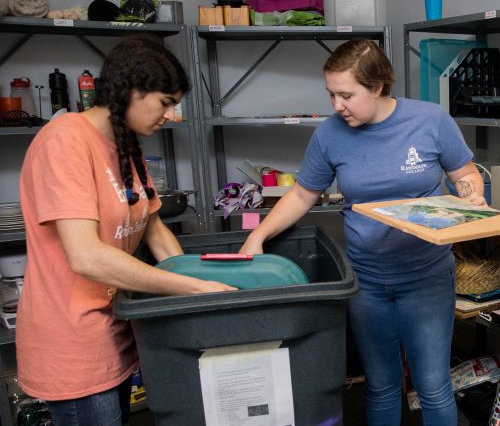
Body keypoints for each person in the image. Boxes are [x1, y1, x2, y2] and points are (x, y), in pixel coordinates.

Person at [240, 38, 486, 425]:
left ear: (377, 86)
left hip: (426, 278)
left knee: (433, 386)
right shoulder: (330, 134)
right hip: (366, 281)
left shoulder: (430, 120)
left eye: (346, 95)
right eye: (331, 94)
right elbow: (304, 193)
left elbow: (464, 173)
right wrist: (258, 236)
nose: (337, 106)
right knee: (382, 385)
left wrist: (472, 196)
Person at [17, 34, 236, 426]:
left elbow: (153, 228)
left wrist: (201, 283)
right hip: (74, 343)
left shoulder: (123, 143)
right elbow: (86, 256)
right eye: (165, 102)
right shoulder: (65, 141)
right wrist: (193, 288)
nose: (171, 115)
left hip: (116, 329)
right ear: (133, 89)